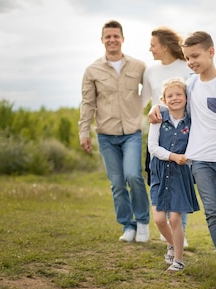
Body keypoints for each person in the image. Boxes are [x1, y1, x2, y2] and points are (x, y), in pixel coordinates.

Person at [150, 31, 216, 285]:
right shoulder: (191, 84)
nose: (191, 62)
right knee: (213, 213)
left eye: (195, 56)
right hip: (199, 160)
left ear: (211, 52)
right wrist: (156, 107)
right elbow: (172, 100)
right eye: (187, 58)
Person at [78, 20, 150, 243]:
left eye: (115, 36)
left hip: (132, 132)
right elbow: (87, 103)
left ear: (122, 39)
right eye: (108, 37)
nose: (112, 40)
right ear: (102, 40)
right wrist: (84, 132)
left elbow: (152, 90)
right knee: (117, 183)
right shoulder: (92, 70)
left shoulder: (139, 66)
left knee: (133, 176)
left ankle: (143, 222)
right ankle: (128, 226)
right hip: (106, 135)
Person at [142, 27, 192, 248]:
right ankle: (170, 233)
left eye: (153, 44)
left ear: (164, 46)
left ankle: (179, 231)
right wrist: (152, 109)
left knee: (181, 182)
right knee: (158, 180)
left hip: (182, 133)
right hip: (158, 132)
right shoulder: (150, 71)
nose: (150, 48)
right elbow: (144, 100)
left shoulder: (186, 67)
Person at [148, 77, 200, 272]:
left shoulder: (192, 120)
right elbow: (152, 147)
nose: (175, 98)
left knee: (175, 219)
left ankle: (178, 260)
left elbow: (197, 144)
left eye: (179, 94)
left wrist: (186, 158)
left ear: (186, 98)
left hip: (180, 173)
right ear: (164, 99)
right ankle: (171, 244)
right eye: (170, 95)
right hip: (160, 172)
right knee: (160, 220)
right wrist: (172, 156)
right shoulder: (159, 118)